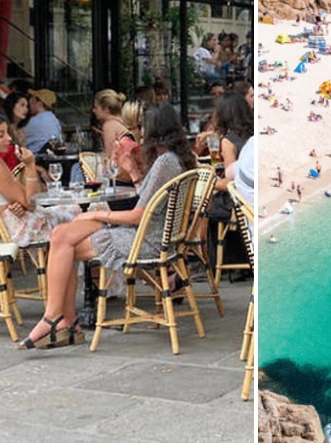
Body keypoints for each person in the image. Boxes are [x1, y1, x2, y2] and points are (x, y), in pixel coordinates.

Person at [17, 103, 197, 349]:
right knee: (61, 234)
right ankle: (60, 320)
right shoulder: (171, 159)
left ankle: (60, 320)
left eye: (143, 127)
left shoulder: (166, 162)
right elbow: (146, 198)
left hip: (144, 239)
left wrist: (98, 217)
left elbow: (137, 216)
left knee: (64, 243)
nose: (140, 133)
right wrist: (132, 169)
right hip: (149, 233)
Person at [0, 111, 78, 249]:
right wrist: (30, 165)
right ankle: (77, 265)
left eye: (7, 132)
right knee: (77, 214)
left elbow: (26, 197)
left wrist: (18, 202)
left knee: (75, 213)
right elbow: (30, 202)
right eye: (1, 135)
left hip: (18, 219)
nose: (9, 138)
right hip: (18, 228)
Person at [22, 89, 62, 154]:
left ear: (39, 103)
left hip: (35, 158)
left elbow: (16, 138)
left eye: (33, 100)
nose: (29, 103)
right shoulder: (54, 119)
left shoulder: (33, 122)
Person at [0, 92, 31, 169]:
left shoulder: (20, 130)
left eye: (27, 106)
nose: (25, 109)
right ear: (11, 105)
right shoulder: (4, 128)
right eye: (22, 105)